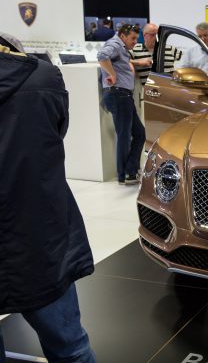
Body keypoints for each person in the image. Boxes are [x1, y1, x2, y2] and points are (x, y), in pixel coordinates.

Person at [0, 32, 96, 362]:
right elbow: (58, 132)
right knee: (70, 347)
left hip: (38, 236)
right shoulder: (43, 77)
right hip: (39, 236)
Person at [97, 24, 146, 185]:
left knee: (139, 133)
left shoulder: (121, 47)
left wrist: (137, 63)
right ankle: (124, 174)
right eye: (132, 38)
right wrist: (111, 73)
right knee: (124, 136)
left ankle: (131, 170)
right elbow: (102, 55)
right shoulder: (116, 44)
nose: (135, 42)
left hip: (124, 95)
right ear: (123, 35)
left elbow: (121, 61)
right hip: (118, 94)